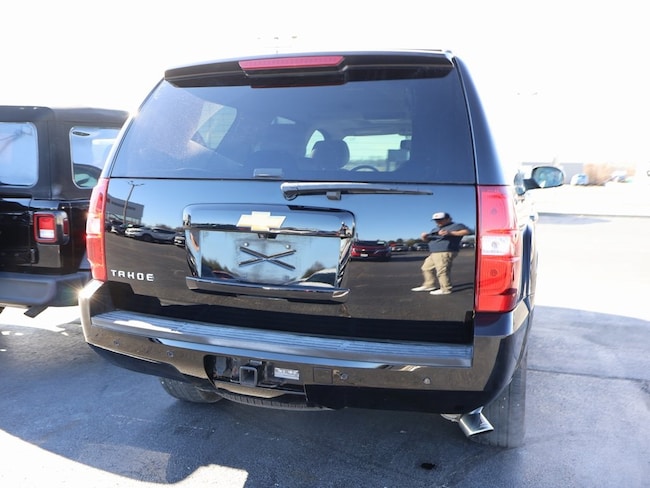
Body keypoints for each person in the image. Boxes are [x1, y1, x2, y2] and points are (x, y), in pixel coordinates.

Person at [411, 211, 471, 295]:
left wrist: (450, 233)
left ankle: (446, 289)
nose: (437, 222)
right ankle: (429, 285)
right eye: (436, 220)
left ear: (448, 219)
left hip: (445, 251)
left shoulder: (456, 225)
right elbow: (428, 240)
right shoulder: (435, 229)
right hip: (434, 252)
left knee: (442, 270)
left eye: (440, 220)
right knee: (426, 268)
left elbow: (467, 232)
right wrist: (424, 237)